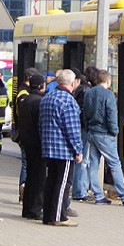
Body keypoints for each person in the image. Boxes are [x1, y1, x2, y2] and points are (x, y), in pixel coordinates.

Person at [83, 69, 124, 206]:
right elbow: (111, 114)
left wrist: (88, 129)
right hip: (105, 134)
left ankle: (98, 196)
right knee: (115, 164)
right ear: (108, 80)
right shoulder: (108, 95)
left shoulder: (88, 93)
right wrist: (114, 131)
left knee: (93, 165)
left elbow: (85, 113)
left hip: (92, 133)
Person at [39, 69, 83, 227]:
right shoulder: (68, 101)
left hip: (48, 147)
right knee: (63, 184)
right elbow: (72, 130)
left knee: (51, 181)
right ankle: (59, 216)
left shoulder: (47, 97)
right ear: (72, 83)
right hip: (63, 150)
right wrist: (78, 150)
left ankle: (48, 215)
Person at [17, 73, 46, 221]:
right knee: (38, 178)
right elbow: (41, 125)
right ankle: (35, 210)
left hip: (26, 142)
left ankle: (27, 209)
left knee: (30, 176)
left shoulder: (26, 99)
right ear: (42, 86)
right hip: (37, 143)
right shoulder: (39, 102)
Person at [14, 67, 41, 203]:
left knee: (27, 163)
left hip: (24, 132)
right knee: (26, 164)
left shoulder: (24, 92)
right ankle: (23, 192)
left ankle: (24, 192)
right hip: (26, 133)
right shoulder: (23, 94)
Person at [70, 68, 92, 202]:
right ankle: (79, 191)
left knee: (81, 160)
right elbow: (84, 112)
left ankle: (80, 189)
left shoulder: (79, 90)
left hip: (80, 128)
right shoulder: (85, 90)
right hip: (83, 129)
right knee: (82, 160)